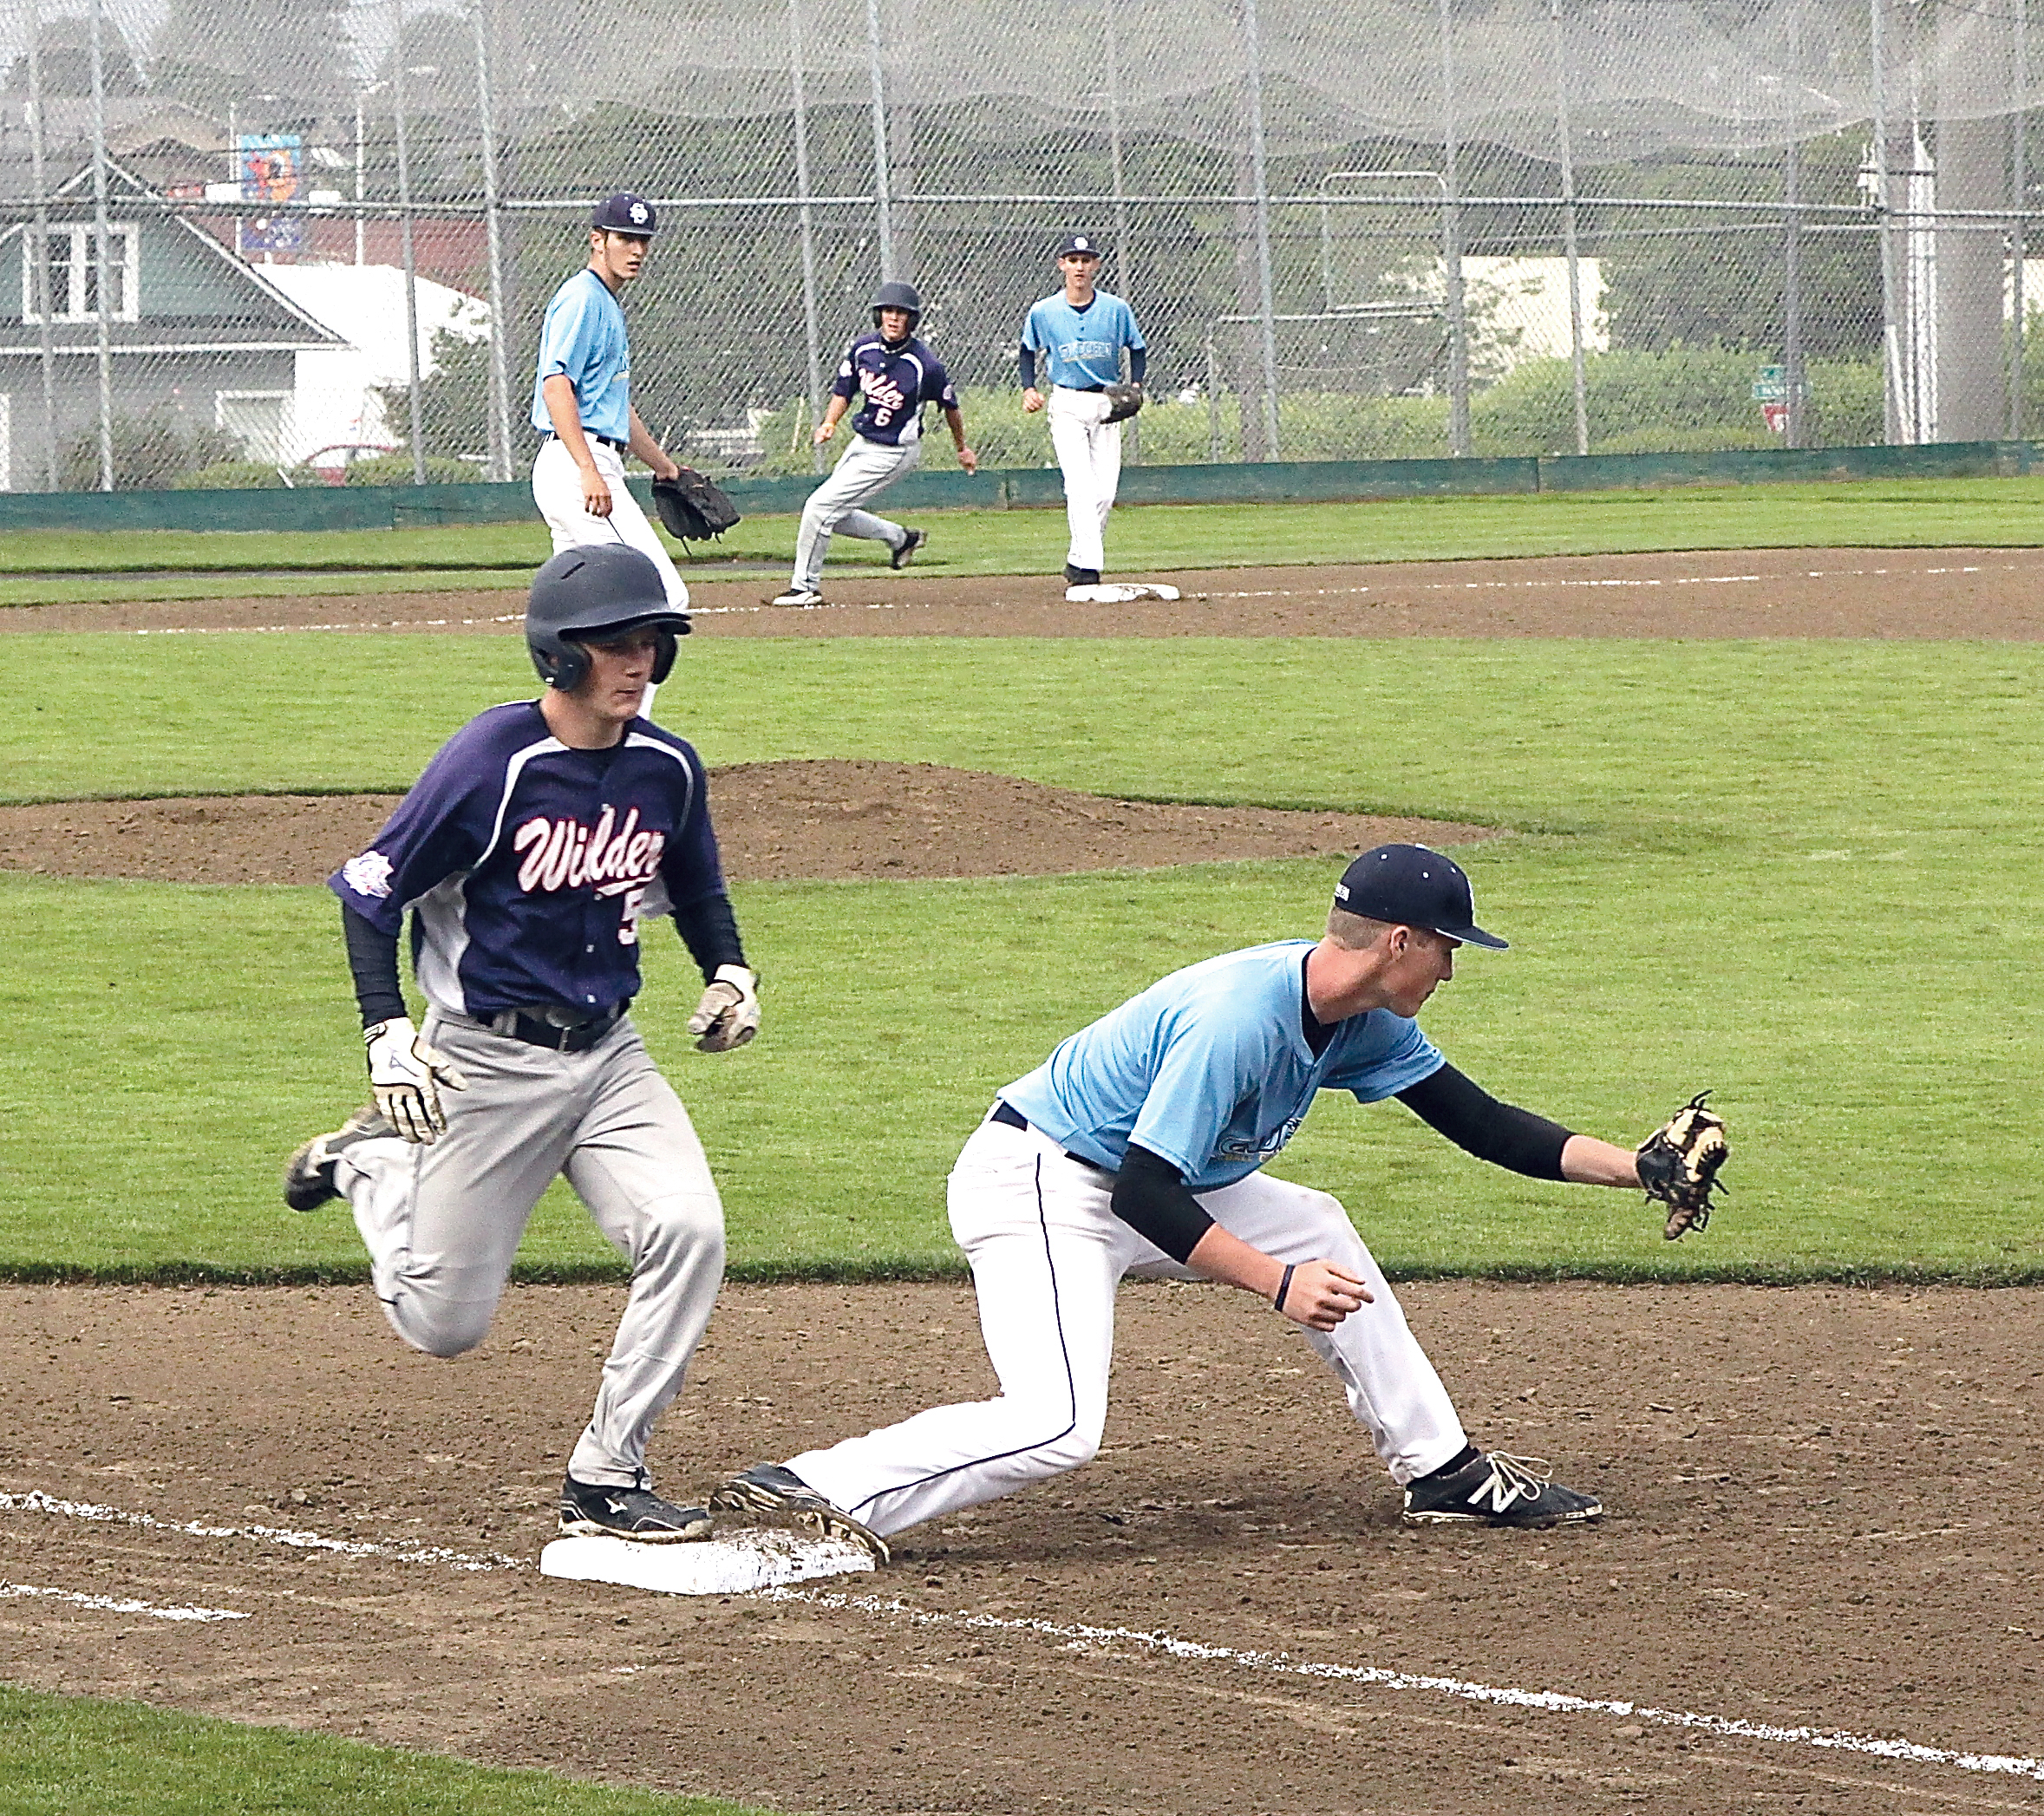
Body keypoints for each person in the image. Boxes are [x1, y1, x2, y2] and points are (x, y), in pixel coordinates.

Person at [715, 844, 1685, 1561]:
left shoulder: (1356, 1014)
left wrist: (1634, 1168)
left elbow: (1479, 1122)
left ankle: (1441, 1469)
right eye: (1445, 946)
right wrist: (1274, 1285)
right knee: (1057, 1425)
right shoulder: (1239, 1019)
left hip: (1137, 1183)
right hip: (1046, 1184)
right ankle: (806, 1488)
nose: (1452, 966)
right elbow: (1142, 1189)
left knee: (1318, 1225)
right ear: (1395, 942)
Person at [283, 543, 760, 1545]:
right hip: (485, 1064)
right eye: (613, 645)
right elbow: (368, 893)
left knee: (690, 1231)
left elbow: (699, 888)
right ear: (559, 656)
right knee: (442, 1325)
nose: (636, 663)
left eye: (650, 644)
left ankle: (606, 1472)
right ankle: (370, 1164)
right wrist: (385, 1034)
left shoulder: (666, 767)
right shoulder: (491, 764)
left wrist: (730, 973)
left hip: (611, 1058)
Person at [530, 192, 691, 696]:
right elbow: (556, 385)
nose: (637, 249)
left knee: (581, 618)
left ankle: (573, 737)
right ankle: (627, 740)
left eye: (643, 240)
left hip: (580, 463)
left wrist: (666, 468)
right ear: (597, 241)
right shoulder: (583, 299)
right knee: (662, 597)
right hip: (578, 465)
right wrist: (588, 470)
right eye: (625, 238)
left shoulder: (605, 304)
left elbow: (615, 408)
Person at [771, 281, 978, 609]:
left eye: (901, 313)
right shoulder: (863, 348)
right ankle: (902, 538)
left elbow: (950, 407)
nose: (894, 318)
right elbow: (844, 390)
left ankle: (805, 587)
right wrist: (830, 422)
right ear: (878, 315)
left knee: (818, 508)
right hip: (861, 442)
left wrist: (962, 448)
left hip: (894, 451)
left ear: (913, 320)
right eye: (888, 311)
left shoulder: (925, 364)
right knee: (834, 515)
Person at [1020, 232, 1151, 603]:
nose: (1080, 266)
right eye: (1072, 259)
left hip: (1106, 404)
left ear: (1096, 265)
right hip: (1067, 404)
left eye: (1086, 259)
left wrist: (1137, 384)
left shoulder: (1115, 309)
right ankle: (1088, 571)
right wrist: (1029, 389)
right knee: (1079, 487)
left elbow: (1137, 348)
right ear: (1062, 264)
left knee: (1105, 494)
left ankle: (1078, 561)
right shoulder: (1044, 311)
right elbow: (1028, 351)